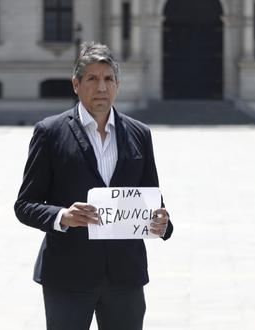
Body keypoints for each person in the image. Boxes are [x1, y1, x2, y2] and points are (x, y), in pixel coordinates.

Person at [14, 41, 173, 330]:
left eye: (108, 79)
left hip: (125, 277)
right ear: (76, 84)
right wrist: (63, 216)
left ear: (118, 85)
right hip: (68, 277)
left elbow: (152, 200)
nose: (102, 87)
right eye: (92, 79)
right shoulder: (50, 133)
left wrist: (163, 223)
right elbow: (24, 205)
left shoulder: (140, 134)